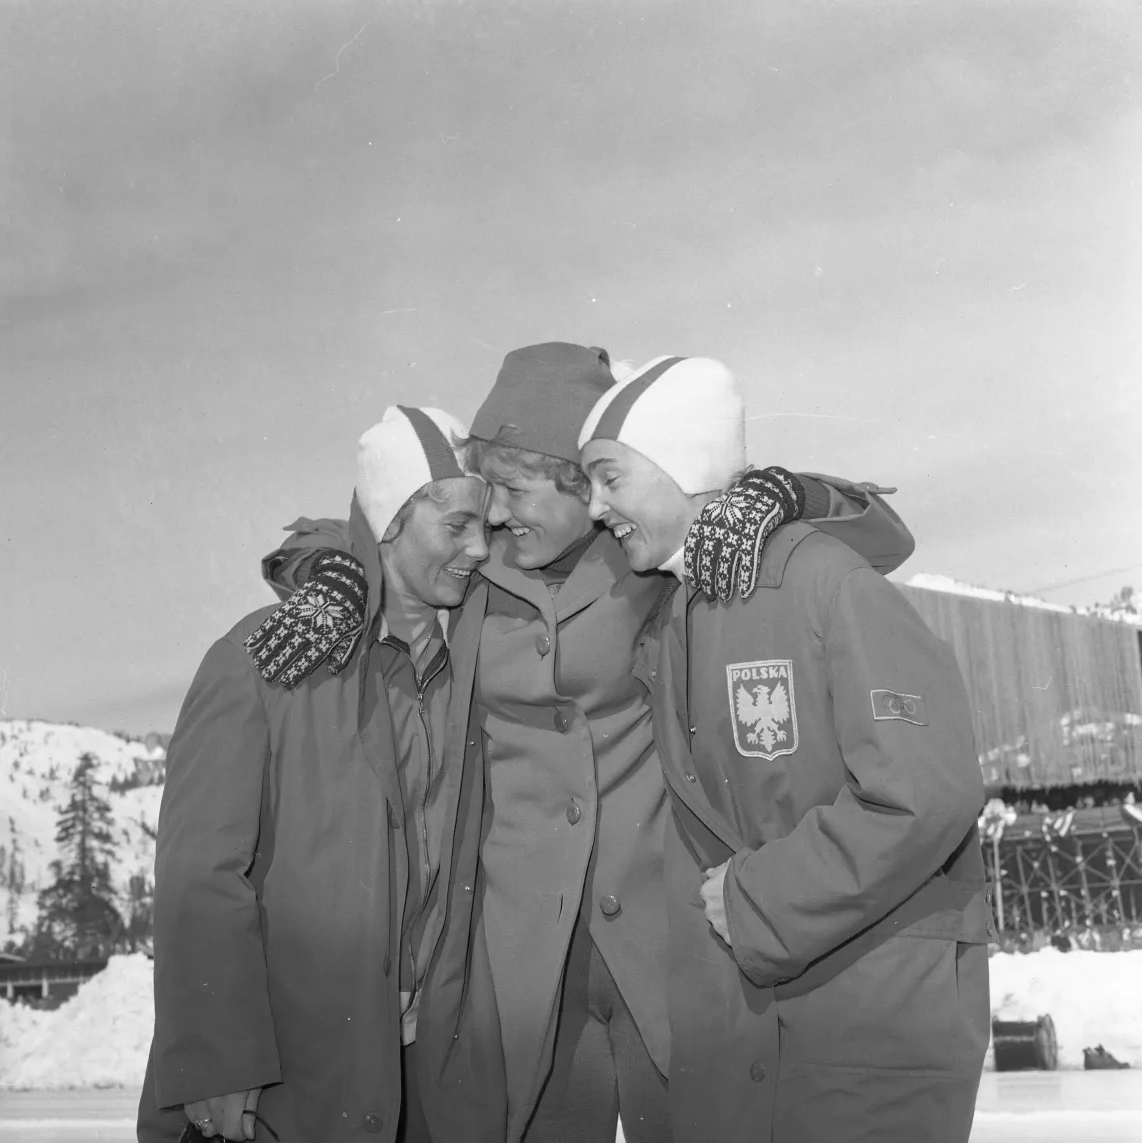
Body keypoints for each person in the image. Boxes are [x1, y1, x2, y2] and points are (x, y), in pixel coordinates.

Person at [254, 343, 917, 1143]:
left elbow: (882, 540)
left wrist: (777, 494)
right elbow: (366, 529)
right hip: (523, 958)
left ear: (583, 480)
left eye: (514, 489)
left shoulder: (648, 545)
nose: (493, 512)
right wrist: (333, 572)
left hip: (670, 943)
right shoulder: (475, 563)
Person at [579, 355, 992, 1143]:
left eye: (611, 477)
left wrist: (761, 898)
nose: (598, 507)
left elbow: (924, 790)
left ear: (682, 464)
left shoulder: (823, 583)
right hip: (756, 1034)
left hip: (865, 1024)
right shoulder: (683, 608)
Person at [137, 406, 493, 1143]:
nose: (480, 547)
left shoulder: (477, 667)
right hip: (285, 1077)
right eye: (457, 525)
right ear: (392, 521)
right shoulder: (264, 658)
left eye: (484, 524)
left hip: (428, 1076)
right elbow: (199, 873)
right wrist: (216, 1057)